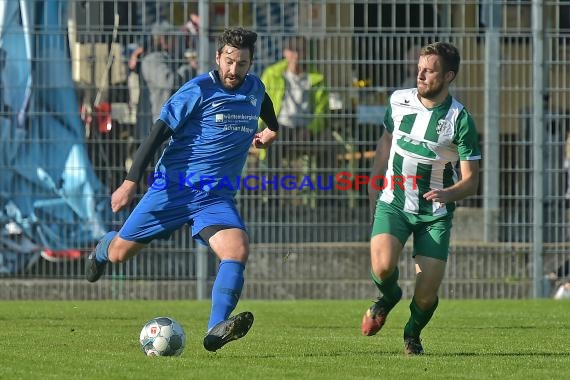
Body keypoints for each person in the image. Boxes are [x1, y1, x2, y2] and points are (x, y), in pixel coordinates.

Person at [85, 27, 280, 352]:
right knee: (121, 254)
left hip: (214, 198)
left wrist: (271, 130)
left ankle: (216, 327)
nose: (234, 70)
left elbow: (269, 113)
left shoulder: (254, 88)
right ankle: (105, 246)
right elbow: (157, 134)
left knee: (237, 250)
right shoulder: (198, 90)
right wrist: (131, 181)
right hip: (172, 190)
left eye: (242, 64)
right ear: (218, 57)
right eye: (229, 61)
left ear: (250, 63)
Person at [360, 42, 481, 355]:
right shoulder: (398, 101)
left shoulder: (460, 119)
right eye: (420, 68)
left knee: (426, 295)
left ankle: (412, 333)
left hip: (434, 212)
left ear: (449, 76)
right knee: (384, 267)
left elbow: (471, 181)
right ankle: (387, 298)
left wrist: (448, 193)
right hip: (395, 203)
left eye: (430, 70)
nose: (421, 74)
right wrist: (375, 189)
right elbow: (386, 144)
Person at [259, 36, 329, 204]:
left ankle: (326, 200)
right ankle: (272, 201)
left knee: (329, 147)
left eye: (301, 50)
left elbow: (322, 111)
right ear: (286, 53)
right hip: (279, 126)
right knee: (272, 148)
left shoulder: (316, 78)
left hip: (307, 128)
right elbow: (260, 102)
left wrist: (311, 129)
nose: (297, 55)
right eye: (293, 50)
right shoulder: (272, 74)